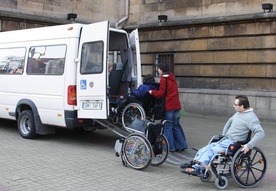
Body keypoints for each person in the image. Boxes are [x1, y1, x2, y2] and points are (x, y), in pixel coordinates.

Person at [180, 95, 265, 176]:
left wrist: (249, 145)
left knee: (212, 151)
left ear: (242, 106)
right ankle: (195, 164)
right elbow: (229, 122)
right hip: (226, 140)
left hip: (234, 143)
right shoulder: (238, 113)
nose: (233, 106)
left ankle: (198, 168)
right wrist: (224, 135)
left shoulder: (251, 118)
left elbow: (260, 133)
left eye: (235, 104)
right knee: (205, 149)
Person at [149, 63, 188, 152]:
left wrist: (152, 92)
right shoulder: (172, 78)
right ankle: (182, 145)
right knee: (176, 125)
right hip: (176, 105)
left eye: (158, 69)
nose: (158, 70)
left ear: (162, 70)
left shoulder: (164, 79)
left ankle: (169, 147)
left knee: (167, 126)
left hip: (169, 105)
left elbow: (161, 93)